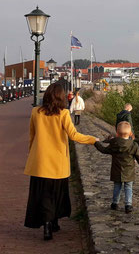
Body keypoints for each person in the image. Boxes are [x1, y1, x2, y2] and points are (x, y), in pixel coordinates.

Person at [24, 83, 98, 240]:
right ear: (61, 97)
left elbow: (32, 137)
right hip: (58, 162)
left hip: (40, 162)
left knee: (43, 195)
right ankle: (53, 222)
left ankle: (47, 226)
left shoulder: (35, 112)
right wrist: (93, 139)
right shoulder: (63, 114)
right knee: (57, 194)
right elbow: (74, 135)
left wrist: (32, 155)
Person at [94, 121, 139, 213]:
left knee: (117, 186)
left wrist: (96, 142)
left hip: (116, 170)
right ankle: (128, 205)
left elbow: (103, 150)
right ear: (130, 133)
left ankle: (115, 203)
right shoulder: (133, 145)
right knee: (128, 187)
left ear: (117, 133)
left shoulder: (114, 144)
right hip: (129, 171)